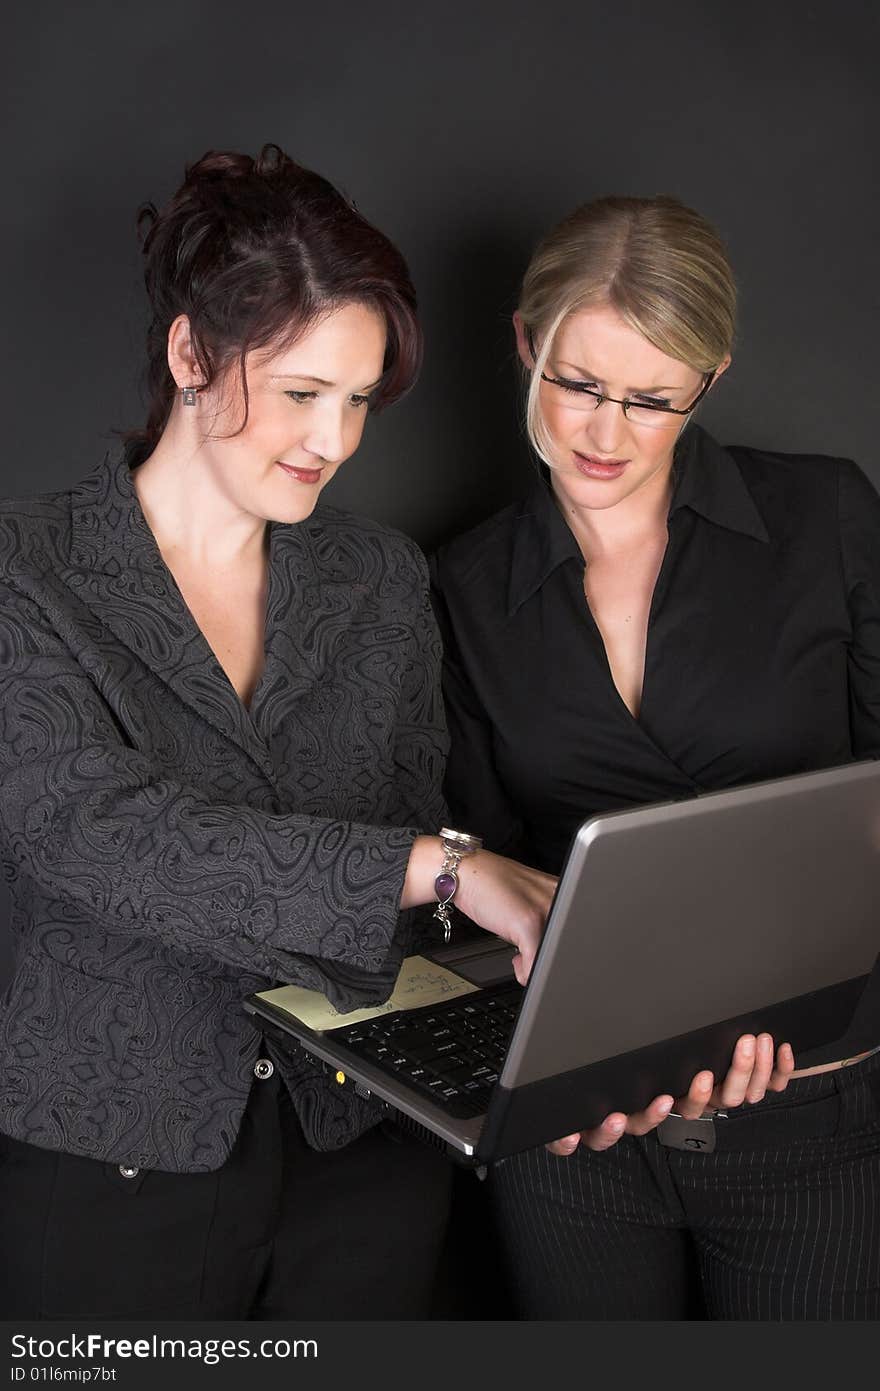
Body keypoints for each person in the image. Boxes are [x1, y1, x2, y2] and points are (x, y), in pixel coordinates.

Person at [0, 144, 558, 1320]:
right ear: (191, 355)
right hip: (118, 1149)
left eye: (358, 401)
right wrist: (430, 864)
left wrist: (567, 1041)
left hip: (362, 1152)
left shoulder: (378, 577)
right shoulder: (25, 570)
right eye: (304, 393)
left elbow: (419, 839)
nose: (336, 439)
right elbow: (89, 833)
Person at [430, 194, 880, 1320]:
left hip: (815, 1121)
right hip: (573, 1139)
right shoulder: (464, 586)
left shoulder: (825, 515)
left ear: (710, 382)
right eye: (577, 383)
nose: (605, 432)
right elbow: (479, 866)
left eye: (652, 400)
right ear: (527, 344)